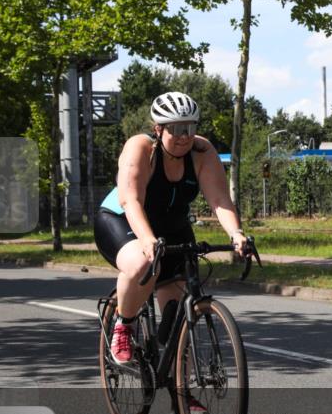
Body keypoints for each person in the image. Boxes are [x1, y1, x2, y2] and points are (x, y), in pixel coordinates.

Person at [95, 91, 248, 382]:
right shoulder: (140, 148)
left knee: (179, 318)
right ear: (158, 129)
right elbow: (131, 200)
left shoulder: (202, 152)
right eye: (176, 129)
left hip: (172, 224)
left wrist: (236, 233)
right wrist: (146, 239)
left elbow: (220, 201)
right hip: (121, 219)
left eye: (190, 127)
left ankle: (183, 391)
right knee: (142, 264)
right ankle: (123, 326)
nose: (184, 136)